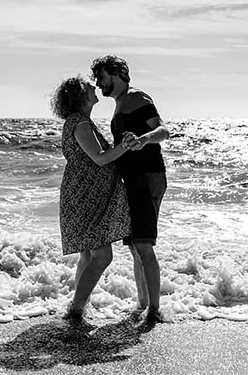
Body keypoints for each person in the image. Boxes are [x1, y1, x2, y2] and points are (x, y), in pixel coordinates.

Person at [50, 76, 138, 321]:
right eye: (87, 87)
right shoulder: (80, 123)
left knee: (88, 255)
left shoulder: (79, 121)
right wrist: (125, 146)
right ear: (80, 97)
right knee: (102, 256)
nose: (93, 87)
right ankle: (77, 308)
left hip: (84, 194)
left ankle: (80, 305)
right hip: (85, 196)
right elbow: (99, 158)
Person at [90, 55, 169, 325]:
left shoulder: (137, 97)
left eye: (101, 77)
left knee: (143, 245)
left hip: (147, 177)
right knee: (136, 247)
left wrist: (143, 139)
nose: (98, 83)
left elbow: (162, 130)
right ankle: (143, 304)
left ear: (116, 73)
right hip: (134, 179)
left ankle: (154, 311)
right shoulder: (121, 102)